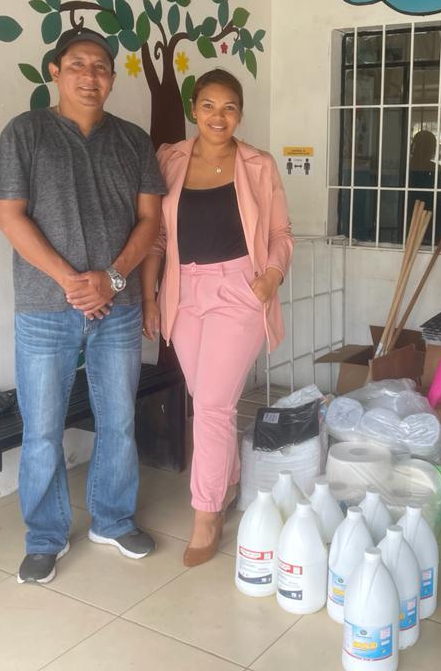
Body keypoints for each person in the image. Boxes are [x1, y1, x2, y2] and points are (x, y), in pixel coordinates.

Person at [0, 26, 167, 584]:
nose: (90, 76)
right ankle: (44, 537)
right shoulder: (25, 133)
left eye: (101, 67)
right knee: (42, 429)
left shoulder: (133, 141)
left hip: (118, 306)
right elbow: (9, 216)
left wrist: (111, 280)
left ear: (112, 78)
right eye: (78, 65)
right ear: (55, 72)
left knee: (118, 421)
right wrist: (73, 281)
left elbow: (150, 220)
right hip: (45, 306)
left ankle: (112, 520)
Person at [141, 68, 293, 567]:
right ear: (194, 109)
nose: (218, 116)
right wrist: (149, 295)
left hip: (239, 289)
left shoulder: (258, 165)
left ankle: (205, 513)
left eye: (229, 107)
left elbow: (281, 233)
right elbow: (158, 237)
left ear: (240, 114)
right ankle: (227, 483)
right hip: (183, 291)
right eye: (208, 105)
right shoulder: (170, 159)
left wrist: (270, 279)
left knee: (210, 405)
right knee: (208, 400)